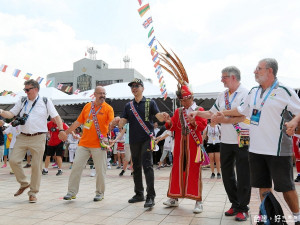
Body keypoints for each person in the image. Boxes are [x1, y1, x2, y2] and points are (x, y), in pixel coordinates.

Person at [218, 58, 300, 225]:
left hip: (277, 150)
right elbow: (241, 110)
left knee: (286, 187)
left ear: (270, 71)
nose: (255, 71)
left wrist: (294, 121)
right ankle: (268, 217)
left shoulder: (285, 90)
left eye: (259, 68)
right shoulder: (253, 91)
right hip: (255, 149)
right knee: (263, 187)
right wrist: (222, 113)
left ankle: (298, 217)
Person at [189, 66, 251, 221]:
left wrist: (222, 116)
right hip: (226, 140)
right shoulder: (222, 95)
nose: (221, 80)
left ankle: (243, 208)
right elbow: (212, 113)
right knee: (227, 173)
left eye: (224, 77)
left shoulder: (246, 92)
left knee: (243, 173)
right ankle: (235, 204)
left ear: (233, 77)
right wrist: (197, 113)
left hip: (243, 137)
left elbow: (242, 113)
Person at [0, 79, 66, 203]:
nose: (26, 92)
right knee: (13, 161)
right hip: (23, 136)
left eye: (28, 89)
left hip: (38, 137)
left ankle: (33, 193)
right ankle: (24, 183)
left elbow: (56, 116)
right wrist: (2, 111)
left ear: (36, 89)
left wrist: (61, 129)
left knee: (36, 166)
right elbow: (11, 114)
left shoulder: (45, 101)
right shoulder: (22, 100)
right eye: (25, 89)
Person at [116, 78, 165, 208]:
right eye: (132, 86)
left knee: (147, 166)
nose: (134, 88)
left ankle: (150, 196)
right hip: (133, 140)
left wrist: (163, 116)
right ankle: (139, 194)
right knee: (136, 167)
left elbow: (159, 116)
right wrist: (117, 121)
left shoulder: (150, 102)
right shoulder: (128, 105)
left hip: (147, 139)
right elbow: (123, 122)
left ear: (143, 88)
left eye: (137, 85)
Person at [62, 86, 114, 202]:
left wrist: (114, 126)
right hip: (84, 143)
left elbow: (111, 123)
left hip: (99, 144)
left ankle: (100, 193)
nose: (103, 96)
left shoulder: (108, 108)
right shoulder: (87, 106)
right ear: (94, 94)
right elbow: (78, 122)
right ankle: (71, 192)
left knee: (100, 170)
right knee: (76, 167)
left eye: (104, 93)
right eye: (100, 93)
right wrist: (66, 132)